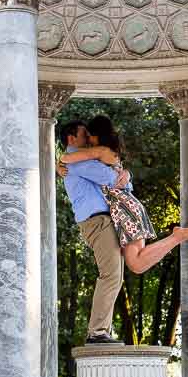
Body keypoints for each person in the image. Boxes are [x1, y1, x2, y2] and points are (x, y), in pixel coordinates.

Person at [59, 114, 188, 276]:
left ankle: (176, 238)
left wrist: (61, 161)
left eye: (88, 135)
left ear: (97, 135)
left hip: (124, 206)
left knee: (136, 263)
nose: (87, 139)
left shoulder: (101, 151)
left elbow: (68, 158)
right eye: (84, 135)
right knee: (137, 264)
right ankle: (176, 238)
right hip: (124, 206)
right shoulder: (104, 152)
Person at [57, 119, 131, 344]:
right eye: (84, 134)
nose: (88, 138)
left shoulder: (79, 159)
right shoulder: (78, 162)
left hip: (103, 221)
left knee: (115, 277)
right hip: (98, 222)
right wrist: (122, 174)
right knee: (111, 275)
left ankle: (101, 331)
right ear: (72, 138)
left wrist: (123, 172)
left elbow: (119, 180)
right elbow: (113, 180)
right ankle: (97, 332)